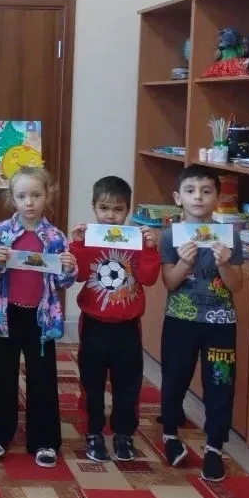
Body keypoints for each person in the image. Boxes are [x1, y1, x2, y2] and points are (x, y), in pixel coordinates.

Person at [0, 167, 76, 467]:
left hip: (41, 318)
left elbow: (62, 283)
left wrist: (68, 268)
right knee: (0, 375)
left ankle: (44, 440)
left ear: (48, 196)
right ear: (12, 198)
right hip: (6, 316)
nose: (29, 202)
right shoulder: (0, 233)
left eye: (36, 195)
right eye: (22, 196)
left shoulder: (55, 238)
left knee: (42, 378)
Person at [160, 164, 244, 482]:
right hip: (180, 320)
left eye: (207, 191)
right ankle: (170, 433)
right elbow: (169, 282)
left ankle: (214, 447)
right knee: (175, 379)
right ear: (178, 198)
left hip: (221, 323)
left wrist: (224, 264)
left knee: (220, 385)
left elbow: (236, 285)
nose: (198, 197)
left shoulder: (229, 236)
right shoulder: (170, 236)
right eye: (191, 190)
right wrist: (185, 261)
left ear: (218, 198)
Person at [69, 176, 160, 463]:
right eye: (104, 208)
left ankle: (123, 433)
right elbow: (78, 274)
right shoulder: (88, 239)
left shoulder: (136, 241)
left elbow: (148, 277)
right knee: (91, 382)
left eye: (118, 209)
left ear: (128, 211)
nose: (110, 216)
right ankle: (93, 431)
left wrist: (149, 249)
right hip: (94, 325)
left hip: (127, 327)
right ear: (94, 208)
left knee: (128, 384)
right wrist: (78, 245)